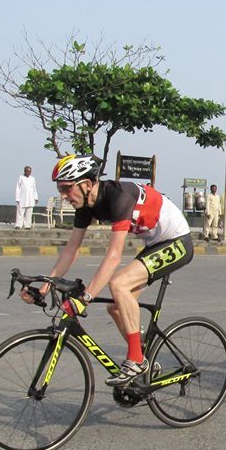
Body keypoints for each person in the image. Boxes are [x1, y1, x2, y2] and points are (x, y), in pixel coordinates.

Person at [20, 154, 194, 386]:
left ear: (86, 184)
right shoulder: (85, 205)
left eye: (66, 188)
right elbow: (71, 250)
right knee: (115, 307)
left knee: (119, 284)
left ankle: (136, 360)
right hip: (155, 243)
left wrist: (85, 298)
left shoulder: (118, 197)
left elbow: (113, 257)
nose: (63, 196)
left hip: (178, 241)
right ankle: (144, 356)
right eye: (60, 189)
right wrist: (44, 288)